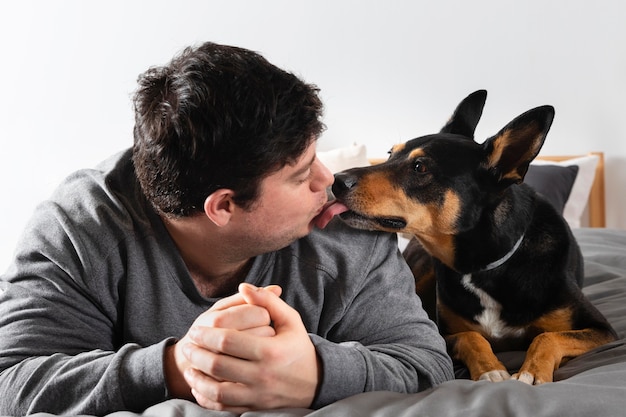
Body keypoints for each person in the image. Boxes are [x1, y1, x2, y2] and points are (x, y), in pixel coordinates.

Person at [0, 41, 453, 415]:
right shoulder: (79, 228)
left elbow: (428, 365)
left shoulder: (348, 227)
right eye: (300, 176)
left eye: (316, 154)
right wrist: (181, 365)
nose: (328, 182)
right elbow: (11, 382)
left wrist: (314, 372)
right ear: (223, 206)